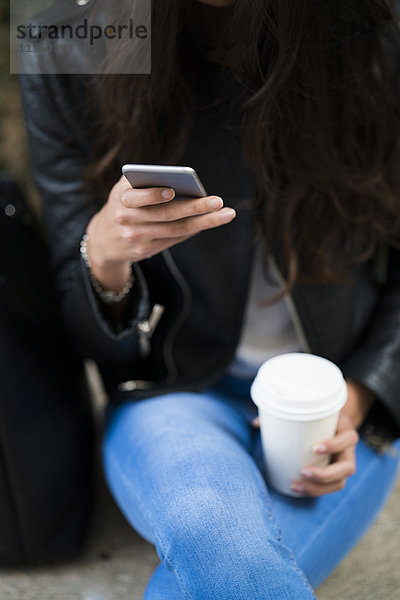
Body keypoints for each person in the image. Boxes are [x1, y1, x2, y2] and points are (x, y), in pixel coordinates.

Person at [19, 0, 400, 597]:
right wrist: (104, 250)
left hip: (333, 391)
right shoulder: (68, 37)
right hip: (175, 388)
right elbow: (83, 328)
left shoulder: (370, 24)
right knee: (211, 525)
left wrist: (353, 401)